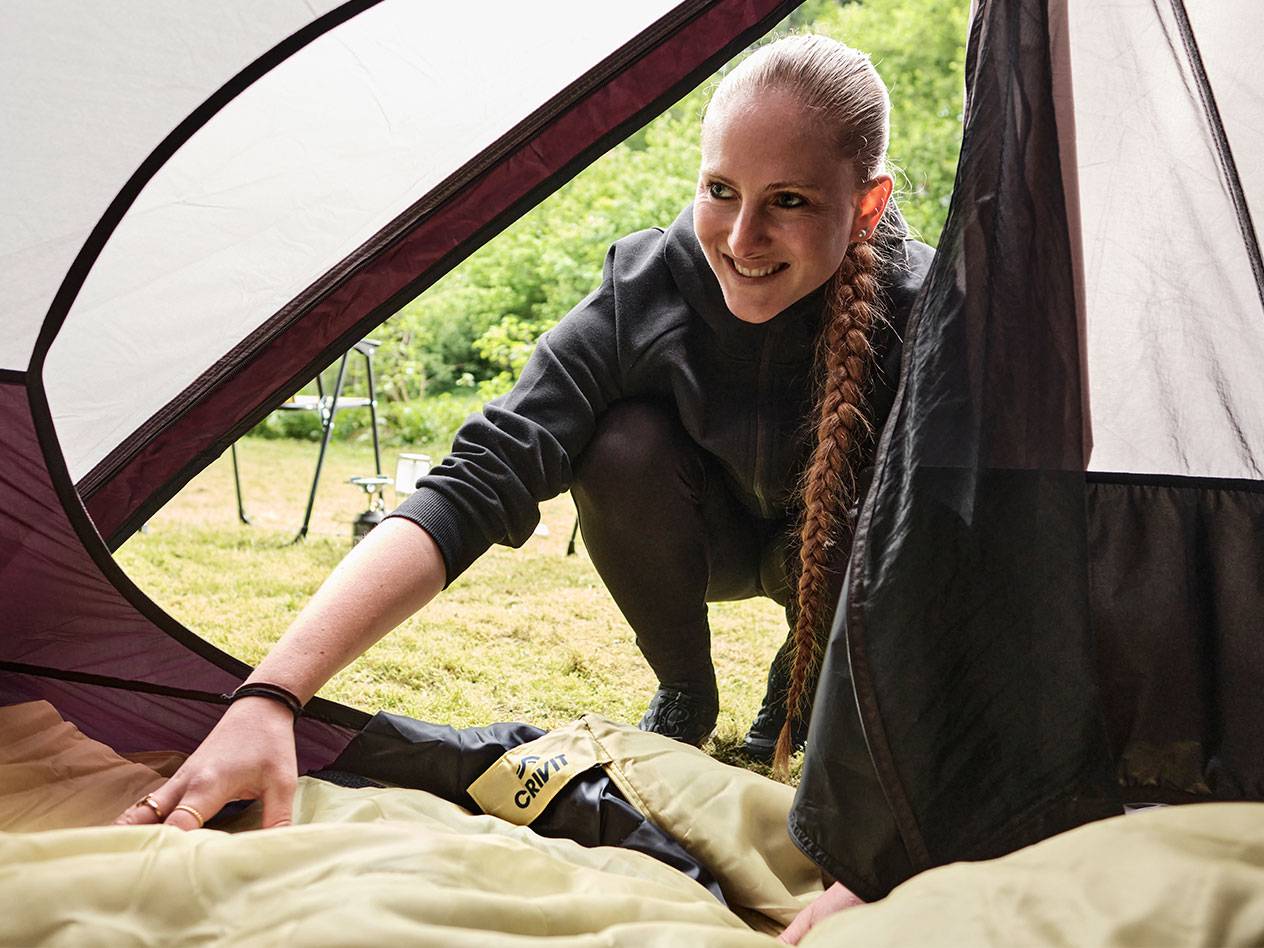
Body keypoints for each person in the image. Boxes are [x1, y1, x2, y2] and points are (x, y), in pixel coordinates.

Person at [117, 33, 931, 934]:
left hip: (862, 562)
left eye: (789, 201)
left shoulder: (932, 307)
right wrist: (271, 695)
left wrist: (904, 832)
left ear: (867, 205)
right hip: (709, 541)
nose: (742, 239)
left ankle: (805, 676)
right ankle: (687, 689)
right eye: (720, 191)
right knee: (619, 442)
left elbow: (983, 559)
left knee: (900, 506)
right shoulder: (646, 286)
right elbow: (479, 475)